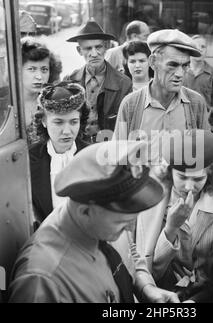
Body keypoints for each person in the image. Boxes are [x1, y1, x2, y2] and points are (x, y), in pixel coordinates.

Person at [9, 140, 179, 303]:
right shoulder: (43, 280)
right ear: (85, 212)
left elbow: (129, 259)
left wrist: (146, 288)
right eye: (122, 221)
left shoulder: (100, 221)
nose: (129, 228)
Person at [142, 130, 213, 294]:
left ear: (210, 176)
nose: (189, 187)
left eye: (197, 179)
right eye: (181, 177)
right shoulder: (152, 202)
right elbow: (150, 270)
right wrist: (171, 228)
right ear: (170, 171)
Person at [114, 29, 209, 140]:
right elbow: (118, 153)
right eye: (172, 65)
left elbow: (204, 152)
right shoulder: (130, 105)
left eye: (185, 66)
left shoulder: (196, 103)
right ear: (153, 62)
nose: (179, 74)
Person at [29, 82, 90, 225]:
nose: (67, 131)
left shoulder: (92, 155)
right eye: (58, 122)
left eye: (74, 122)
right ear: (44, 121)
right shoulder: (28, 159)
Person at [64, 20, 132, 140]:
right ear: (79, 51)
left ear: (106, 47)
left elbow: (127, 124)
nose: (94, 54)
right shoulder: (70, 81)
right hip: (77, 144)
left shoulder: (123, 83)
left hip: (108, 145)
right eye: (88, 48)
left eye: (98, 47)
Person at [21, 37, 62, 141]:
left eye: (44, 69)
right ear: (17, 71)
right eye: (32, 69)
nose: (39, 76)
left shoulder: (53, 103)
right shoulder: (5, 106)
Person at [183, 35, 213, 110]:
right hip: (183, 118)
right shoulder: (181, 71)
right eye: (195, 46)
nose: (199, 49)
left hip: (204, 118)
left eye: (203, 47)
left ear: (206, 50)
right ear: (189, 49)